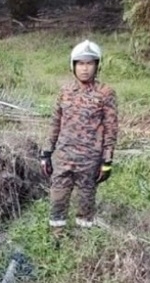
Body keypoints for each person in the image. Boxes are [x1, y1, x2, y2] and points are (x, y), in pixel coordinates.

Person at [39, 39, 118, 235]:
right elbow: (55, 123)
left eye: (90, 63)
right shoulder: (65, 92)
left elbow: (111, 128)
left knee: (86, 200)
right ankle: (57, 236)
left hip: (89, 160)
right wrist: (46, 152)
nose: (85, 69)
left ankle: (84, 238)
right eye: (80, 64)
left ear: (97, 66)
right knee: (58, 198)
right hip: (64, 157)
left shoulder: (105, 93)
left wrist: (107, 161)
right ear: (73, 66)